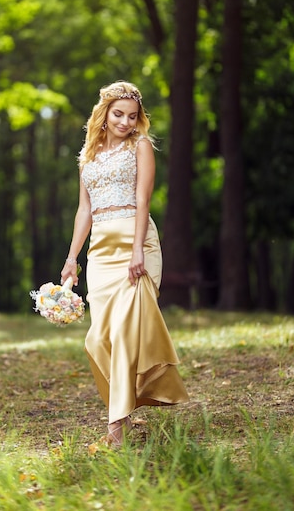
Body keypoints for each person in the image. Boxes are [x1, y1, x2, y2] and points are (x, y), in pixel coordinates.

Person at [60, 80, 189, 446]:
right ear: (104, 113)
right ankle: (124, 412)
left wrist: (137, 251)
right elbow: (84, 209)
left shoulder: (141, 146)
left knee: (122, 332)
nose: (125, 122)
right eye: (118, 114)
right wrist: (72, 258)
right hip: (100, 251)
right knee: (98, 339)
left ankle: (115, 428)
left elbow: (142, 200)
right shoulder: (88, 154)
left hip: (136, 245)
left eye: (132, 116)